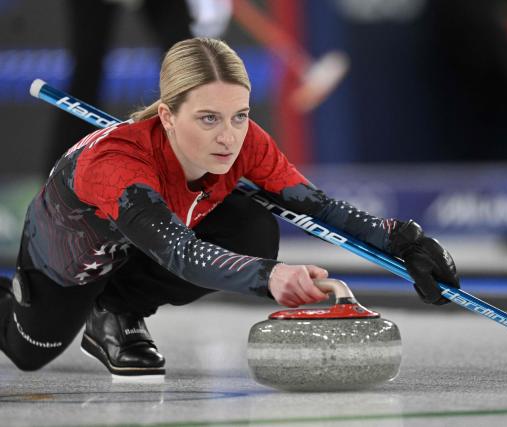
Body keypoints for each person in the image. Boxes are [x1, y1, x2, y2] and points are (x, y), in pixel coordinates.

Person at [0, 38, 459, 377]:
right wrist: (269, 277)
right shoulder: (116, 165)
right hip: (74, 262)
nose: (228, 136)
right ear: (166, 115)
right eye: (208, 118)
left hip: (151, 242)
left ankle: (115, 313)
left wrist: (404, 238)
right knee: (30, 351)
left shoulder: (245, 143)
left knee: (253, 227)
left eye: (239, 115)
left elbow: (316, 205)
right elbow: (179, 253)